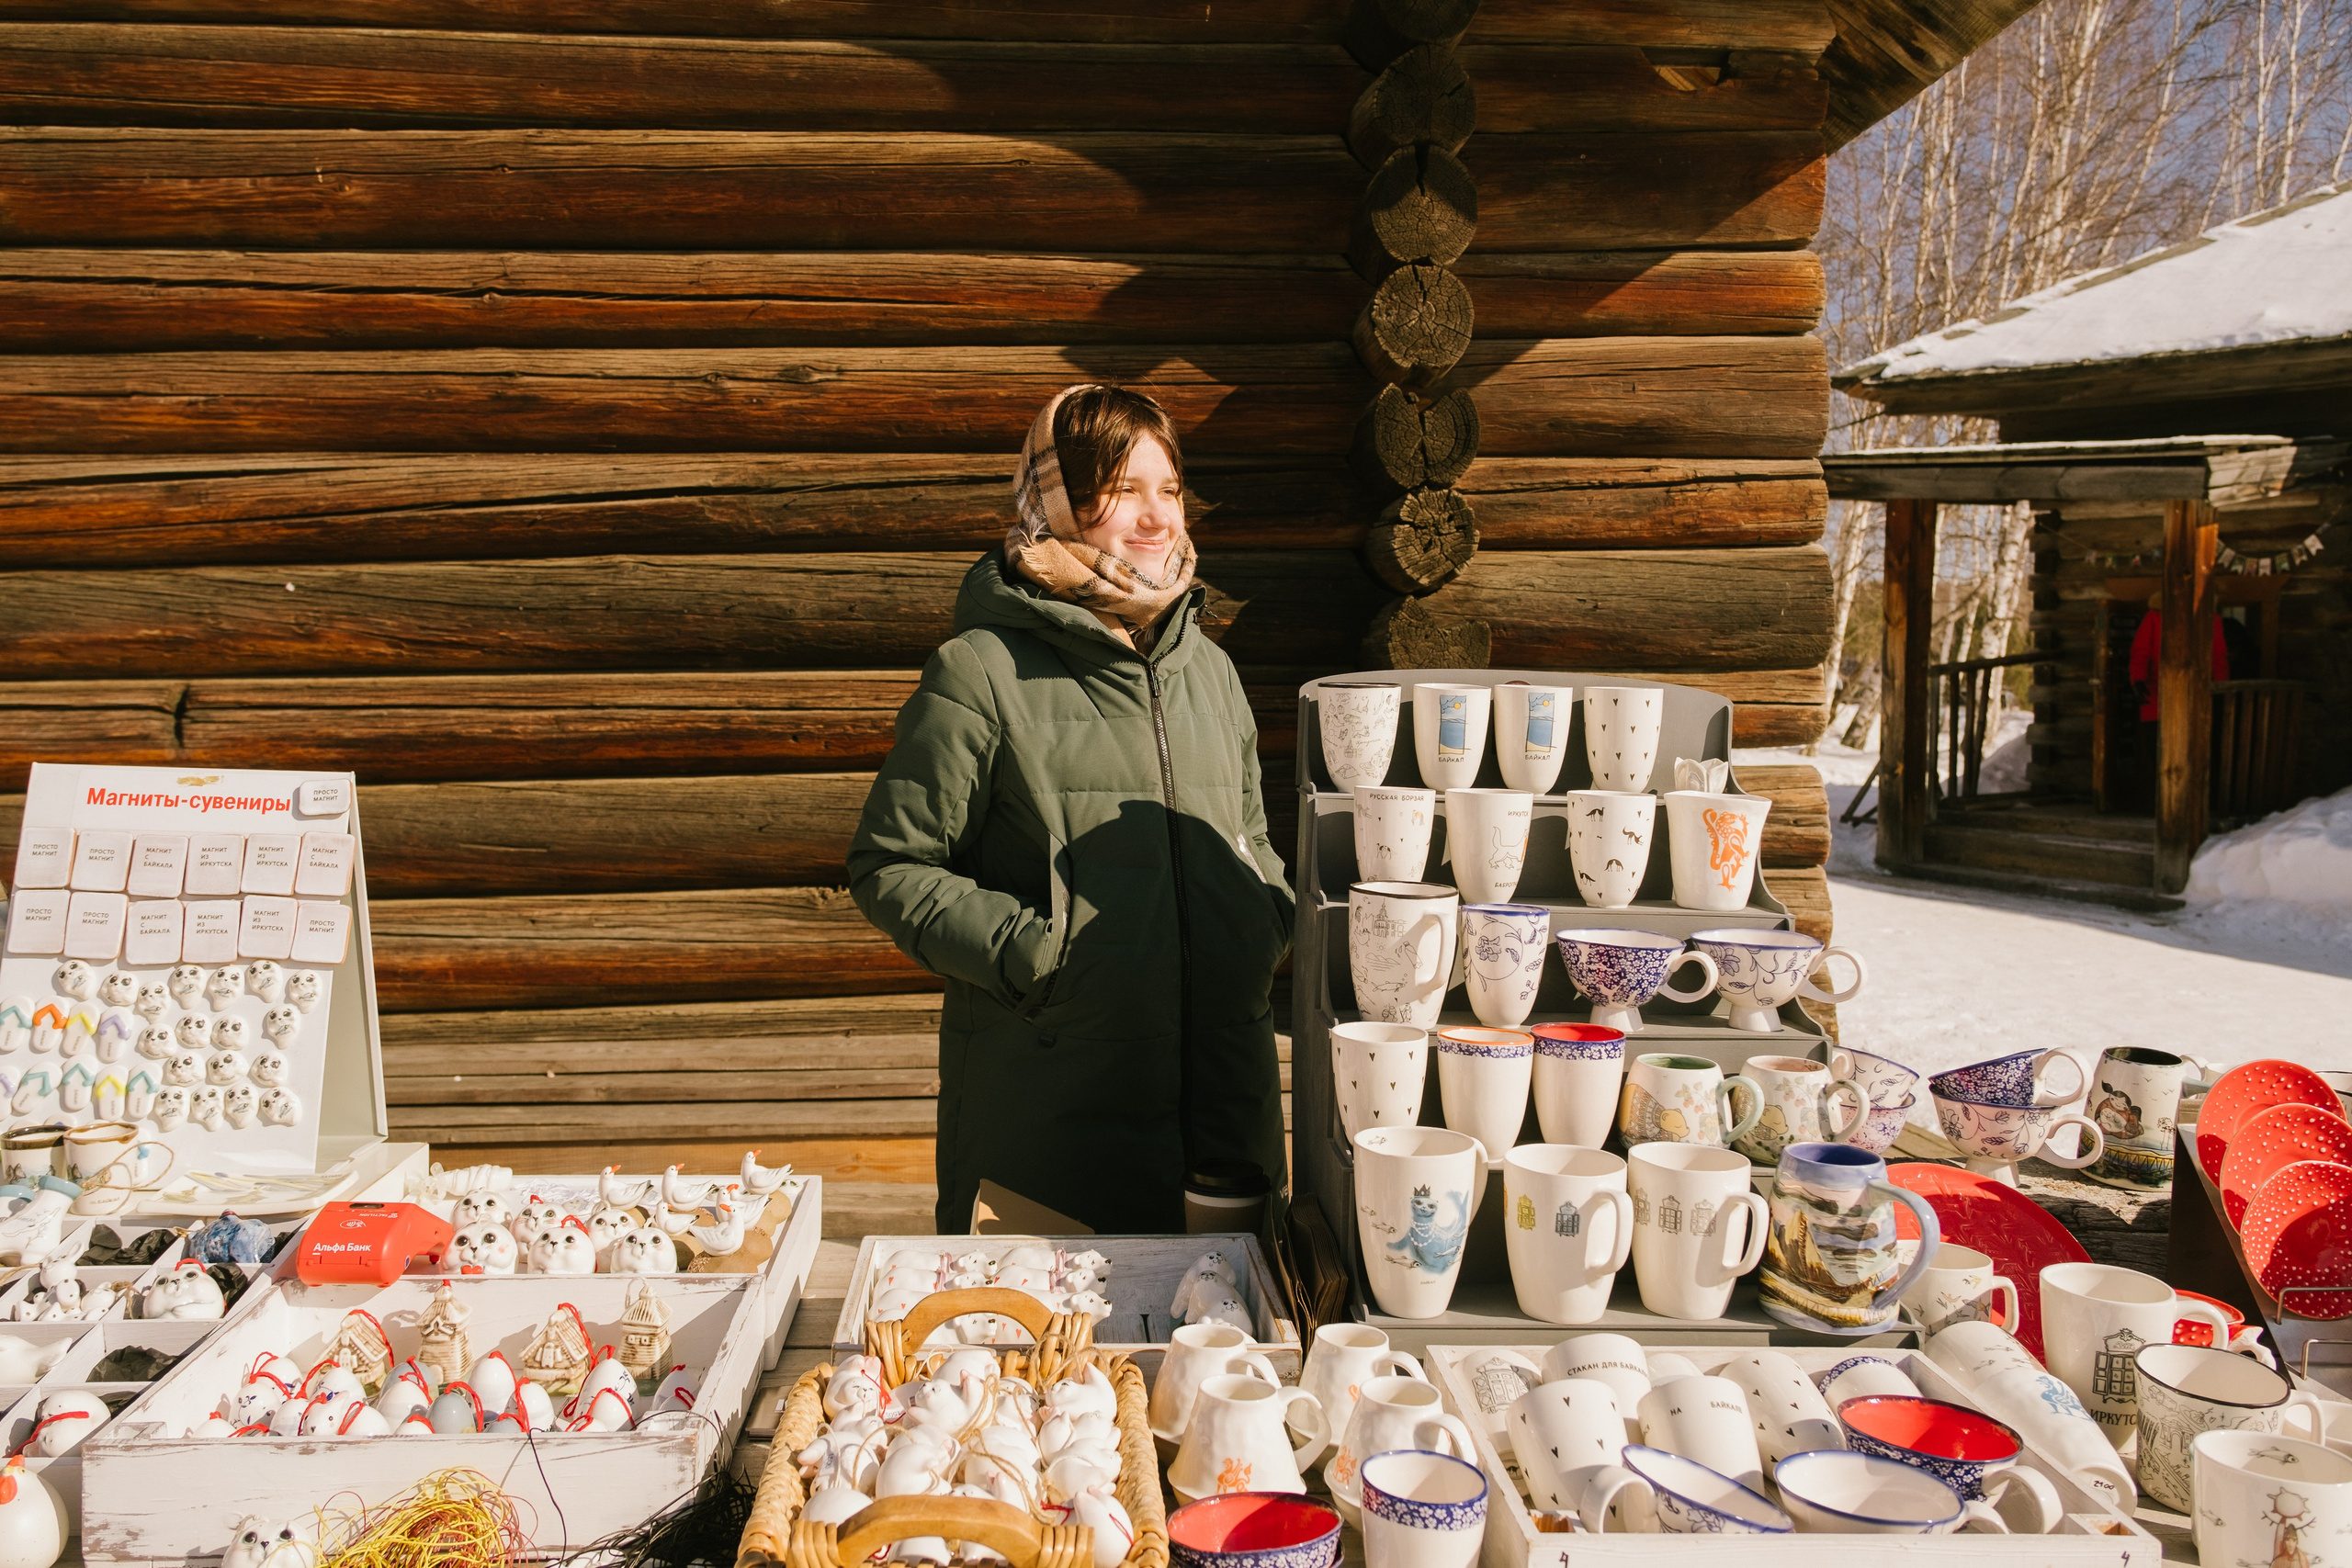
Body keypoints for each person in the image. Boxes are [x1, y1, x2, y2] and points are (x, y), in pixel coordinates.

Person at [847, 384, 1293, 1234]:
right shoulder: (982, 670)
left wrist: (1263, 919)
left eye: (1170, 489)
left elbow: (1252, 837)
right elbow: (890, 865)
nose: (1157, 516)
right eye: (1123, 490)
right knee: (1054, 1323)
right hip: (1054, 1126)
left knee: (1222, 1316)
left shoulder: (1210, 670)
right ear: (1057, 505)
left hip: (1228, 1115)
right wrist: (1037, 955)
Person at [2127, 592, 2229, 807]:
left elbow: (2218, 657)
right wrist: (2137, 679)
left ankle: (2196, 804)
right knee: (2159, 750)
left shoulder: (2211, 620)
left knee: (2197, 751)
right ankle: (2165, 803)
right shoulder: (2155, 618)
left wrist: (2221, 688)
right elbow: (2140, 652)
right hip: (2158, 696)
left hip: (2198, 698)